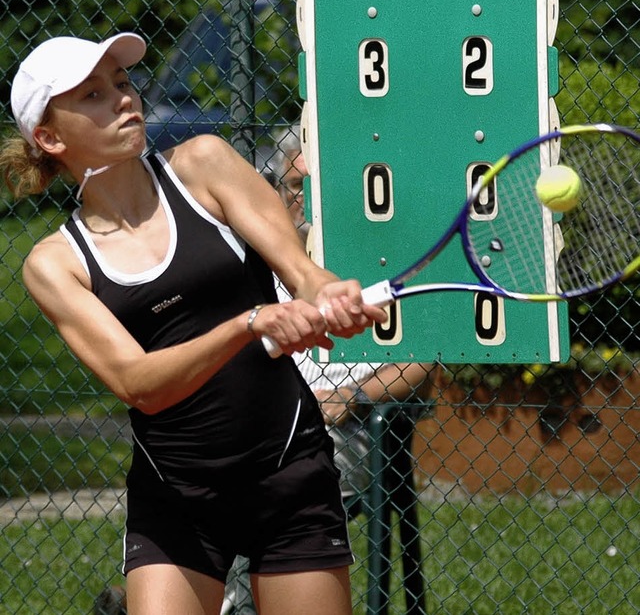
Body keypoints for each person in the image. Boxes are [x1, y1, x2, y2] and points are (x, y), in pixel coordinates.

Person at [1, 32, 389, 615]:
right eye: (94, 94)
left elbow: (301, 272)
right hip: (177, 496)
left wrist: (331, 294)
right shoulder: (55, 264)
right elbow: (140, 385)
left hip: (289, 467)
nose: (124, 99)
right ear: (49, 137)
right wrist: (249, 324)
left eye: (124, 83)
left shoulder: (205, 163)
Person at [222, 127, 433, 614]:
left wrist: (352, 397)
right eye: (293, 186)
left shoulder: (378, 256)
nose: (302, 200)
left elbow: (422, 362)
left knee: (252, 496)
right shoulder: (260, 262)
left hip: (346, 430)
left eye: (312, 188)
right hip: (261, 428)